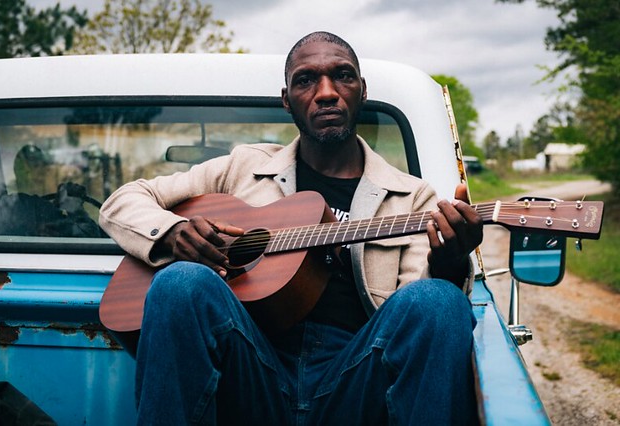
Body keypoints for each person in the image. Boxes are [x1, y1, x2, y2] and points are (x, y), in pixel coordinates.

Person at [99, 31, 483, 425]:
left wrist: (450, 263)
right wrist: (171, 233)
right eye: (306, 80)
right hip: (249, 371)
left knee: (439, 300)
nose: (327, 92)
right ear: (287, 100)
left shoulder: (412, 197)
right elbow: (122, 201)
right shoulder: (243, 167)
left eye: (343, 76)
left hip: (356, 380)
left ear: (362, 91)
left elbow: (415, 320)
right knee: (180, 281)